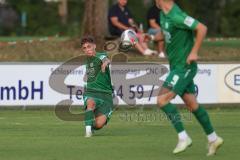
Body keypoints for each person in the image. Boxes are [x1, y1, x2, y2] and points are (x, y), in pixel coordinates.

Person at [152, 0, 223, 156]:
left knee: (162, 100)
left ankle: (183, 137)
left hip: (184, 67)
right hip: (176, 66)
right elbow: (165, 33)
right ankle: (213, 138)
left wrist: (194, 52)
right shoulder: (163, 14)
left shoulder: (177, 15)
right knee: (192, 104)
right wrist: (150, 38)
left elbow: (202, 28)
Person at [81, 36, 114, 138]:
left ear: (94, 46)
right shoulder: (88, 60)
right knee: (90, 103)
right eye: (84, 48)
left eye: (89, 46)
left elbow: (106, 60)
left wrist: (105, 64)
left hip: (106, 94)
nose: (87, 49)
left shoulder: (100, 56)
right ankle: (88, 132)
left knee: (99, 125)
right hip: (91, 91)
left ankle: (90, 126)